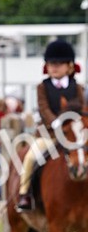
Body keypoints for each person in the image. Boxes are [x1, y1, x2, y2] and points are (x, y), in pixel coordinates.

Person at [17, 39, 85, 211]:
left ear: (69, 66)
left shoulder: (77, 87)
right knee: (31, 157)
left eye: (59, 64)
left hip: (73, 135)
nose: (54, 67)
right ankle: (25, 194)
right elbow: (43, 107)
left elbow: (81, 107)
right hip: (50, 135)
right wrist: (55, 121)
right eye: (51, 64)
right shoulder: (42, 87)